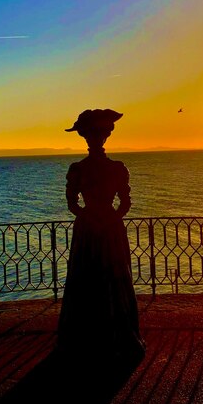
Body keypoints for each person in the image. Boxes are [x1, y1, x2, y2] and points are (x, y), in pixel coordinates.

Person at [57, 109, 146, 365]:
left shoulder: (92, 169)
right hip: (103, 227)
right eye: (93, 136)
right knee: (104, 276)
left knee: (95, 277)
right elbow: (76, 202)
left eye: (97, 136)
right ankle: (110, 335)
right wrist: (106, 218)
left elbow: (74, 204)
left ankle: (89, 337)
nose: (95, 141)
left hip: (96, 228)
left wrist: (94, 218)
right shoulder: (99, 169)